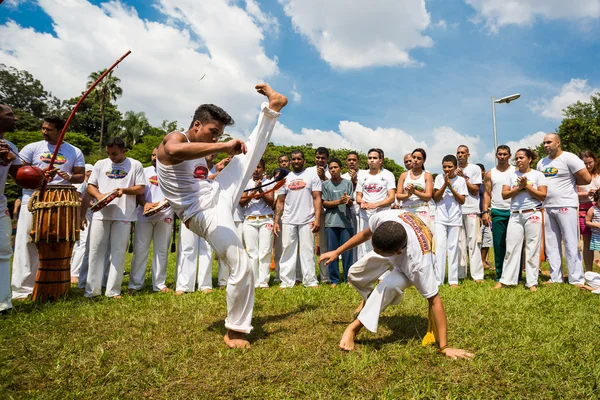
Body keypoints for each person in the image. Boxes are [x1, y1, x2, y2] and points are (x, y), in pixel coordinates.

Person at [156, 83, 287, 348]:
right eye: (212, 132)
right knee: (242, 264)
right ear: (196, 125)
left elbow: (198, 176)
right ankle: (235, 331)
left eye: (219, 135)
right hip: (203, 212)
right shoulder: (176, 138)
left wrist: (223, 157)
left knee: (247, 157)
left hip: (216, 192)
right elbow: (172, 153)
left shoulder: (203, 151)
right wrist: (225, 147)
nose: (215, 139)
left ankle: (272, 108)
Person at [319, 209, 474, 360]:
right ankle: (370, 302)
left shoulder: (418, 265)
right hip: (396, 246)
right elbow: (366, 234)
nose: (374, 252)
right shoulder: (385, 218)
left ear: (397, 252)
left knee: (387, 286)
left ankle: (353, 328)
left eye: (378, 252)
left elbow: (435, 301)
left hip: (412, 257)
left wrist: (445, 347)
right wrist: (337, 251)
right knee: (355, 273)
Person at [12, 115, 85, 300]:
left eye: (49, 129)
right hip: (34, 197)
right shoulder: (32, 148)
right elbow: (19, 173)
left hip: (60, 199)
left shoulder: (73, 151)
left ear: (61, 131)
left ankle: (51, 283)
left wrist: (66, 176)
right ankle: (22, 289)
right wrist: (39, 174)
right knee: (27, 241)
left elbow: (80, 176)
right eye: (43, 128)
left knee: (55, 242)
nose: (44, 131)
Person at [85, 137, 145, 298]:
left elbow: (140, 188)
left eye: (115, 154)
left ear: (124, 151)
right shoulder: (100, 164)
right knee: (96, 251)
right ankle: (92, 290)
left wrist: (123, 191)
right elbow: (91, 185)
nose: (111, 157)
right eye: (109, 153)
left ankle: (113, 290)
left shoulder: (135, 165)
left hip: (124, 214)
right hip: (101, 214)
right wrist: (99, 196)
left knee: (118, 252)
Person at [537, 133, 591, 285]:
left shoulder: (569, 158)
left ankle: (576, 279)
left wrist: (571, 181)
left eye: (549, 142)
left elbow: (586, 179)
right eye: (544, 143)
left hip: (566, 205)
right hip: (547, 206)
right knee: (552, 244)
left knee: (570, 242)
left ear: (558, 142)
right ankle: (556, 278)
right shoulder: (541, 163)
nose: (546, 145)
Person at [494, 149, 547, 291]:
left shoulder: (538, 175)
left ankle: (532, 282)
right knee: (511, 247)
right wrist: (519, 187)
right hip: (516, 214)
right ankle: (506, 280)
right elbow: (504, 195)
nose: (518, 161)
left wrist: (527, 186)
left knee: (532, 248)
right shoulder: (511, 176)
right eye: (516, 158)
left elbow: (542, 195)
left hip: (533, 213)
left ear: (530, 159)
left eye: (521, 158)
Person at [274, 150, 322, 288]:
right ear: (290, 161)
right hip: (288, 219)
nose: (296, 161)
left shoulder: (312, 176)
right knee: (287, 249)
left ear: (304, 161)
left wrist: (317, 218)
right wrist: (277, 220)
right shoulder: (285, 178)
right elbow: (280, 201)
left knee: (307, 250)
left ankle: (310, 280)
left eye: (299, 159)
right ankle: (286, 281)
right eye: (293, 159)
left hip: (307, 219)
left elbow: (317, 198)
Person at [128, 147, 173, 293]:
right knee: (140, 250)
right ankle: (135, 284)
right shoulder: (144, 171)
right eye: (153, 155)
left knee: (161, 251)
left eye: (157, 155)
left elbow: (177, 192)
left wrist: (165, 203)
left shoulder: (173, 172)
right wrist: (146, 204)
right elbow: (139, 191)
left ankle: (159, 284)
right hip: (144, 215)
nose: (154, 158)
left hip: (165, 215)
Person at [0, 105, 22, 313]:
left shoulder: (11, 146)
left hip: (0, 203)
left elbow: (20, 176)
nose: (14, 118)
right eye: (9, 115)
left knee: (4, 250)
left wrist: (42, 175)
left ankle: (3, 303)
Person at [240, 159, 275, 289]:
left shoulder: (269, 182)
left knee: (265, 251)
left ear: (263, 169)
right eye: (254, 167)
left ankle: (263, 281)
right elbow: (241, 202)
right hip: (249, 220)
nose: (256, 170)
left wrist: (261, 190)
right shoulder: (246, 182)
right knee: (252, 252)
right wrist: (252, 192)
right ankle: (253, 281)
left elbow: (271, 202)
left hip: (266, 219)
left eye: (259, 167)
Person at [433, 155, 468, 287]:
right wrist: (444, 185)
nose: (447, 169)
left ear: (455, 167)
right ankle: (438, 279)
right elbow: (436, 198)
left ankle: (453, 280)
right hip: (440, 218)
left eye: (450, 167)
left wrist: (451, 187)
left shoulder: (461, 181)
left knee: (453, 248)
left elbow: (462, 200)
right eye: (444, 167)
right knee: (440, 247)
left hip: (454, 218)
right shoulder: (438, 178)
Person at [355, 148, 396, 259]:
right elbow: (358, 195)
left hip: (381, 216)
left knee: (382, 244)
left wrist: (375, 204)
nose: (372, 160)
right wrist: (361, 202)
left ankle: (383, 275)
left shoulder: (388, 175)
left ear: (381, 160)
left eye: (375, 158)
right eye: (370, 158)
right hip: (365, 216)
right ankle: (365, 275)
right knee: (364, 246)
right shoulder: (362, 176)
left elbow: (391, 197)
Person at [482, 145, 514, 280]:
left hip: (514, 211)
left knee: (514, 244)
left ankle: (514, 274)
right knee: (499, 244)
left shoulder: (515, 171)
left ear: (509, 156)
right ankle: (500, 274)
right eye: (500, 154)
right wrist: (485, 211)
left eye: (505, 154)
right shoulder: (490, 173)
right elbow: (487, 193)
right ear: (496, 155)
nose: (502, 157)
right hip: (497, 211)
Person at [321, 158, 354, 286]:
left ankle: (348, 279)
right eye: (331, 168)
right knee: (332, 252)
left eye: (335, 167)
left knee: (347, 252)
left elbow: (351, 202)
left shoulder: (348, 183)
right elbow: (324, 203)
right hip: (331, 222)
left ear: (341, 168)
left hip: (346, 222)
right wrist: (338, 202)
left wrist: (347, 201)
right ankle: (334, 279)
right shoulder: (325, 185)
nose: (333, 170)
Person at [455, 145, 484, 282]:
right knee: (460, 243)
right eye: (458, 153)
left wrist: (463, 178)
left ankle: (477, 274)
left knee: (474, 242)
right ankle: (460, 274)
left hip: (471, 209)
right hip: (457, 210)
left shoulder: (474, 169)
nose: (460, 155)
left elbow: (475, 190)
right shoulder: (452, 169)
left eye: (463, 153)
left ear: (468, 155)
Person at [308, 147, 331, 283]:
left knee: (323, 244)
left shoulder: (332, 170)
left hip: (326, 212)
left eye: (323, 158)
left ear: (327, 159)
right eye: (318, 157)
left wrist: (324, 177)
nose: (320, 160)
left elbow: (335, 186)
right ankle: (308, 275)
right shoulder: (309, 171)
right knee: (307, 245)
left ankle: (325, 276)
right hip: (309, 211)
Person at [70, 163, 94, 285]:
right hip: (81, 215)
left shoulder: (84, 183)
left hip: (81, 214)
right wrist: (90, 205)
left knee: (78, 243)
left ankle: (73, 270)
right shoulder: (82, 183)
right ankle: (74, 273)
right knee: (83, 244)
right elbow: (76, 197)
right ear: (88, 172)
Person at [396, 148, 433, 225]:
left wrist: (414, 192)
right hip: (406, 209)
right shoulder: (404, 175)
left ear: (423, 161)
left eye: (419, 158)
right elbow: (398, 195)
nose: (415, 160)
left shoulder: (427, 176)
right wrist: (408, 195)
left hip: (421, 210)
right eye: (414, 157)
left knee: (422, 235)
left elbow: (428, 196)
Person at [577, 150, 600, 271]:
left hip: (599, 210)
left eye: (590, 162)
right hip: (583, 210)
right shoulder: (577, 177)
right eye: (584, 164)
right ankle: (589, 271)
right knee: (587, 243)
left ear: (595, 161)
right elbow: (571, 194)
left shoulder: (599, 175)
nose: (588, 166)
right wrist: (587, 193)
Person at [341, 151, 361, 265]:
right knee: (350, 239)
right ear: (346, 162)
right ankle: (352, 265)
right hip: (348, 210)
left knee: (361, 238)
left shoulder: (364, 174)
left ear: (358, 161)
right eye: (349, 160)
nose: (352, 162)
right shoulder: (343, 176)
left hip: (361, 209)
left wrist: (356, 181)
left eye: (354, 160)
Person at [476, 163, 492, 270]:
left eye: (481, 171)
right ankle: (476, 262)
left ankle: (483, 261)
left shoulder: (485, 185)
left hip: (485, 214)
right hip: (475, 215)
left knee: (487, 238)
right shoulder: (473, 185)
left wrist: (486, 213)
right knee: (477, 240)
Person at [584, 191, 600, 271]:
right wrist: (596, 225)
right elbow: (586, 221)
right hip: (597, 237)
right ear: (597, 200)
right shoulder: (593, 209)